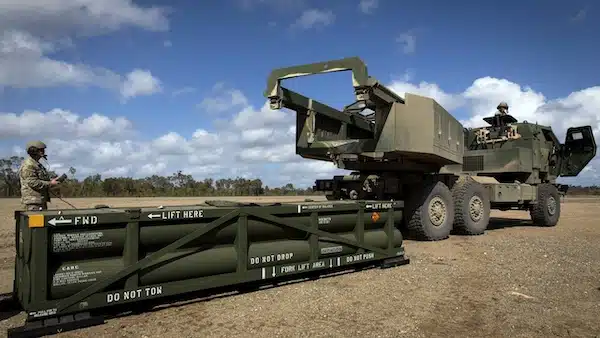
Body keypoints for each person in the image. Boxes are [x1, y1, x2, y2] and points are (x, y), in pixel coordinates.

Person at [18, 141, 60, 211]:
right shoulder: (29, 165)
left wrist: (52, 180)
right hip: (32, 202)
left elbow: (41, 179)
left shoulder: (37, 164)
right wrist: (50, 183)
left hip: (40, 200)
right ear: (33, 151)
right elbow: (33, 182)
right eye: (41, 150)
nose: (43, 152)